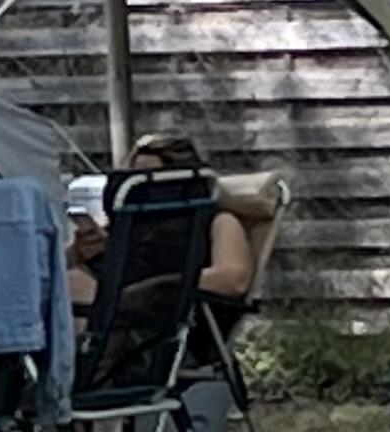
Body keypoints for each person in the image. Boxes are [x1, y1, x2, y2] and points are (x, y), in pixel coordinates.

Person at [67, 130, 257, 311]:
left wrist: (160, 285)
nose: (140, 185)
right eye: (134, 174)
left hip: (167, 313)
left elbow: (233, 279)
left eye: (149, 175)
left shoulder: (218, 221)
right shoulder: (127, 221)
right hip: (109, 306)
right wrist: (80, 253)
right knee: (69, 282)